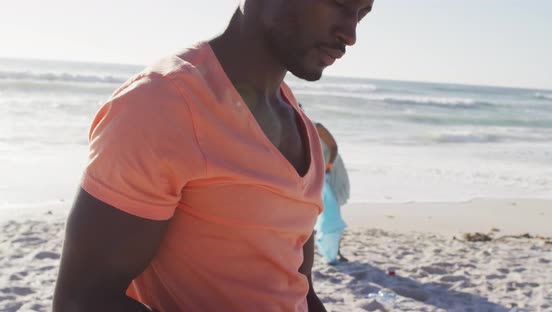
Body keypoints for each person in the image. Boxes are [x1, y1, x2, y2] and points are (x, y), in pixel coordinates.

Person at [53, 0, 373, 311]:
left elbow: (299, 290)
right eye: (339, 4)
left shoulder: (300, 124)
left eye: (361, 14)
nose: (351, 35)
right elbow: (83, 300)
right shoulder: (162, 104)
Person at [314, 123, 350, 264]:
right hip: (319, 171)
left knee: (333, 209)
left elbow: (333, 147)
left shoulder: (316, 127)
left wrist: (328, 167)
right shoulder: (296, 130)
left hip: (332, 168)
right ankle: (327, 248)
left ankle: (337, 251)